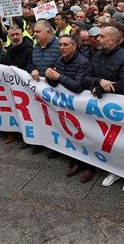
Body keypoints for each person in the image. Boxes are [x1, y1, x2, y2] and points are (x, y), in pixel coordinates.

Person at [82, 26, 124, 186]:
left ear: (112, 40)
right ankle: (111, 168)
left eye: (102, 36)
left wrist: (98, 88)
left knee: (119, 142)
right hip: (97, 109)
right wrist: (99, 81)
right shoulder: (97, 55)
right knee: (102, 140)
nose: (98, 38)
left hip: (116, 110)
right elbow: (86, 77)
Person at [45, 35, 92, 175]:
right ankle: (71, 156)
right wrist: (49, 76)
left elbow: (78, 87)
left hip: (77, 107)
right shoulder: (60, 60)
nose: (62, 48)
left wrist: (58, 77)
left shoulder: (83, 62)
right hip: (65, 106)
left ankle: (85, 164)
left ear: (74, 46)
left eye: (65, 45)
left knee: (81, 133)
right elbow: (54, 83)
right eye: (60, 45)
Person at [25, 19, 61, 154]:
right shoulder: (36, 46)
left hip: (54, 90)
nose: (34, 34)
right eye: (34, 31)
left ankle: (56, 146)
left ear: (48, 32)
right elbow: (29, 63)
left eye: (37, 31)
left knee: (54, 118)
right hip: (39, 91)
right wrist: (32, 69)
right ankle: (42, 141)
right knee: (40, 116)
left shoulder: (59, 46)